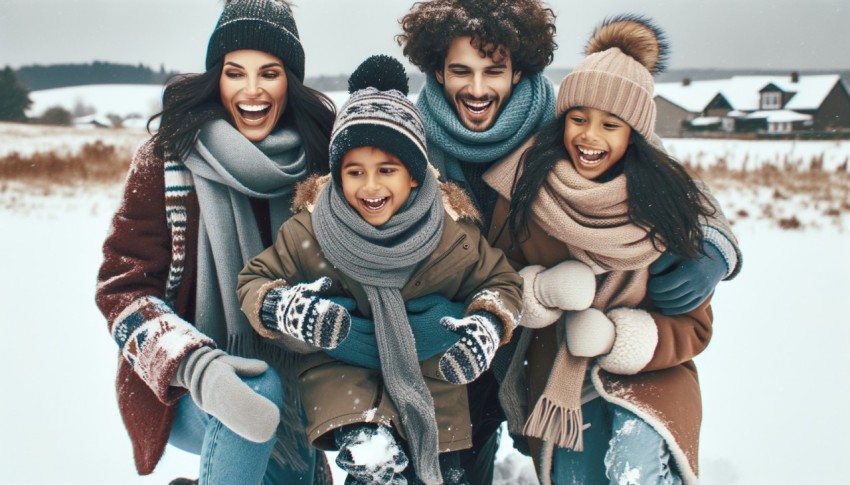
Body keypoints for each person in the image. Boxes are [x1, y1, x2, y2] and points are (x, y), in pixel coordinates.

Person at [396, 1, 743, 483]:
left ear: (518, 72)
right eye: (461, 71)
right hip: (455, 333)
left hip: (529, 345)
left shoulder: (559, 121)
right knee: (451, 463)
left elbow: (659, 171)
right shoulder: (413, 137)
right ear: (437, 68)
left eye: (493, 70)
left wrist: (715, 245)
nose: (477, 88)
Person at [236, 55, 523, 485]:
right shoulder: (311, 230)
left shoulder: (451, 234)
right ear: (337, 174)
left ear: (413, 176)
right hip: (349, 396)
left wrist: (485, 324)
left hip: (437, 398)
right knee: (375, 471)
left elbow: (502, 282)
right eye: (354, 172)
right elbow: (253, 282)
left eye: (387, 170)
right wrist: (289, 309)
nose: (370, 187)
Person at [94, 1, 337, 483]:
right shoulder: (167, 158)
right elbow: (121, 292)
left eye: (269, 73)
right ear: (216, 78)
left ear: (289, 80)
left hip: (308, 377)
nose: (252, 91)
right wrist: (198, 366)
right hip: (185, 387)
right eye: (235, 73)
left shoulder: (320, 163)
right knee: (258, 390)